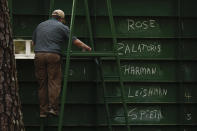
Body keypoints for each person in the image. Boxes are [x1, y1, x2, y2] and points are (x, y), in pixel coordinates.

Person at [32, 9, 91, 118]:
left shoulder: (40, 25)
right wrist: (86, 47)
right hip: (53, 55)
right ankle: (53, 108)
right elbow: (75, 41)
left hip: (39, 55)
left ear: (52, 16)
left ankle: (43, 111)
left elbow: (33, 43)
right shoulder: (62, 27)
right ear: (61, 18)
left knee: (42, 84)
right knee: (53, 82)